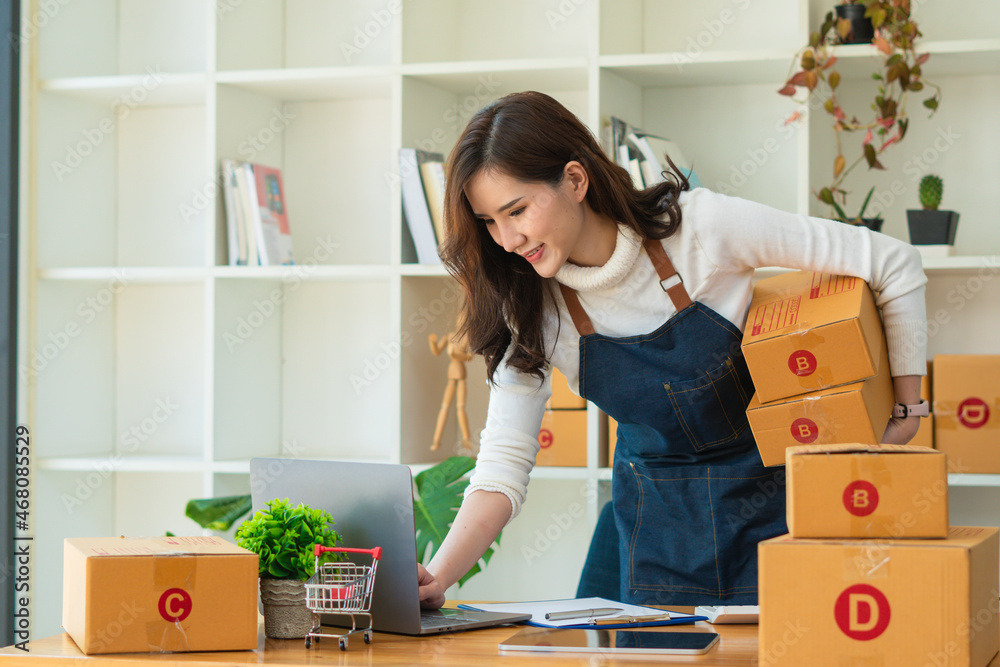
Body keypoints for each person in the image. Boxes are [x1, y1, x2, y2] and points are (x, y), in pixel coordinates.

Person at [416, 91, 927, 609]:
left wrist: (906, 410)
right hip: (656, 542)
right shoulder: (529, 307)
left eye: (517, 210)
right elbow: (504, 462)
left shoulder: (701, 229)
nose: (506, 239)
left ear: (574, 180)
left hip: (778, 517)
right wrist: (435, 579)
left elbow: (894, 263)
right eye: (488, 222)